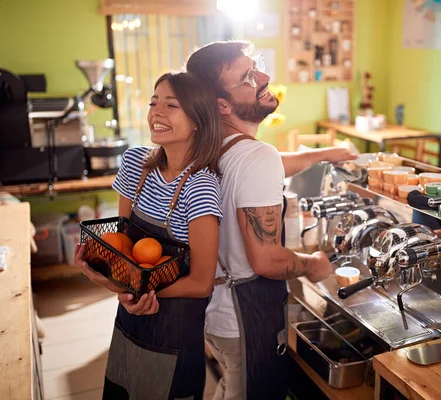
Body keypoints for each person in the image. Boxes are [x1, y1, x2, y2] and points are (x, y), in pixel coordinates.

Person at [185, 40, 356, 400]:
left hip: (213, 312)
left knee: (231, 384)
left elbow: (271, 163)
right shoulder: (254, 156)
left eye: (257, 65)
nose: (263, 76)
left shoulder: (213, 143)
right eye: (248, 76)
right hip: (244, 318)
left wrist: (324, 154)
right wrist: (311, 264)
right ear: (222, 104)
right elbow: (265, 260)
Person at [74, 71, 223, 400]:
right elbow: (122, 250)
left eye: (171, 105)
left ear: (198, 120)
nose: (156, 111)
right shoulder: (135, 164)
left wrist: (140, 292)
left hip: (174, 334)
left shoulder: (200, 187)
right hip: (129, 321)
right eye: (154, 102)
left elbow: (201, 282)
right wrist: (111, 282)